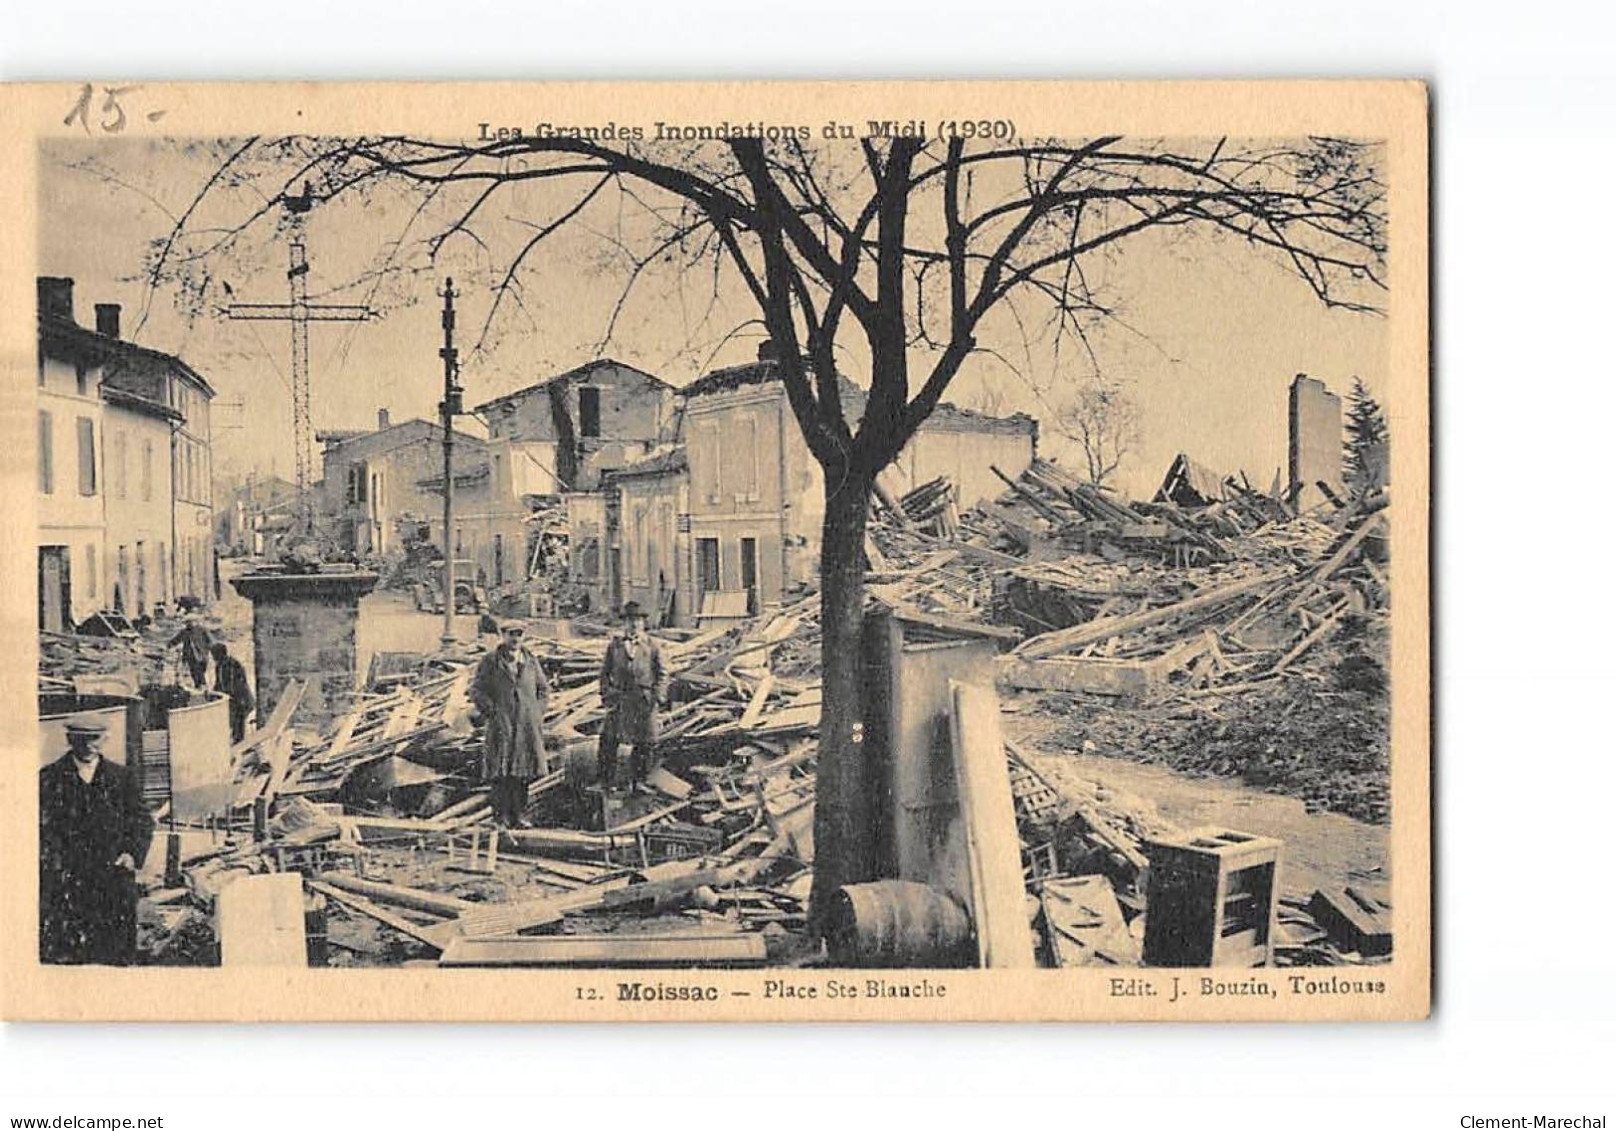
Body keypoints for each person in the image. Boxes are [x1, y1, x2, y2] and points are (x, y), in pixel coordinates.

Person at [39, 718, 155, 965]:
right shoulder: (49, 778)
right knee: (69, 954)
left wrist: (132, 854)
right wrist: (53, 862)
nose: (91, 746)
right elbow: (41, 828)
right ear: (71, 740)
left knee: (114, 950)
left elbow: (142, 820)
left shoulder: (122, 777)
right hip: (69, 880)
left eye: (96, 739)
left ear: (105, 740)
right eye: (84, 740)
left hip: (113, 875)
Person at [469, 619, 550, 828]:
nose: (515, 639)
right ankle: (500, 817)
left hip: (525, 726)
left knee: (522, 772)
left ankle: (518, 815)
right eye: (511, 634)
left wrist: (537, 712)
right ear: (502, 636)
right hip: (501, 724)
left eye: (519, 634)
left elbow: (543, 689)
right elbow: (477, 690)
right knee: (500, 772)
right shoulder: (491, 661)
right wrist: (492, 711)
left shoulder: (530, 660)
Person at [597, 600, 668, 791]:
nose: (634, 624)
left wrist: (657, 698)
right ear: (624, 624)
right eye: (630, 621)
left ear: (643, 623)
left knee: (645, 743)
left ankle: (639, 782)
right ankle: (607, 782)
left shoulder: (653, 645)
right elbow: (604, 674)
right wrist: (607, 694)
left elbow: (662, 673)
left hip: (644, 701)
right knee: (608, 740)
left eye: (637, 620)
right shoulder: (615, 646)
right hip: (620, 700)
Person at [212, 641, 256, 744]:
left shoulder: (233, 664)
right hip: (231, 698)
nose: (214, 658)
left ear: (221, 654)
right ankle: (236, 740)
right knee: (234, 721)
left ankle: (239, 743)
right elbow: (218, 682)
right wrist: (213, 694)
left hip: (241, 698)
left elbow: (238, 684)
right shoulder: (219, 666)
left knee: (239, 720)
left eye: (215, 655)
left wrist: (234, 697)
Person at [167, 615, 212, 689]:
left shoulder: (202, 630)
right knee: (194, 672)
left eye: (190, 622)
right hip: (190, 655)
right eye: (187, 623)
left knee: (200, 671)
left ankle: (202, 686)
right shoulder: (184, 632)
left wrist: (208, 649)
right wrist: (169, 645)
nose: (188, 624)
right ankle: (200, 686)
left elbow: (210, 641)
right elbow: (176, 639)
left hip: (202, 655)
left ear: (194, 622)